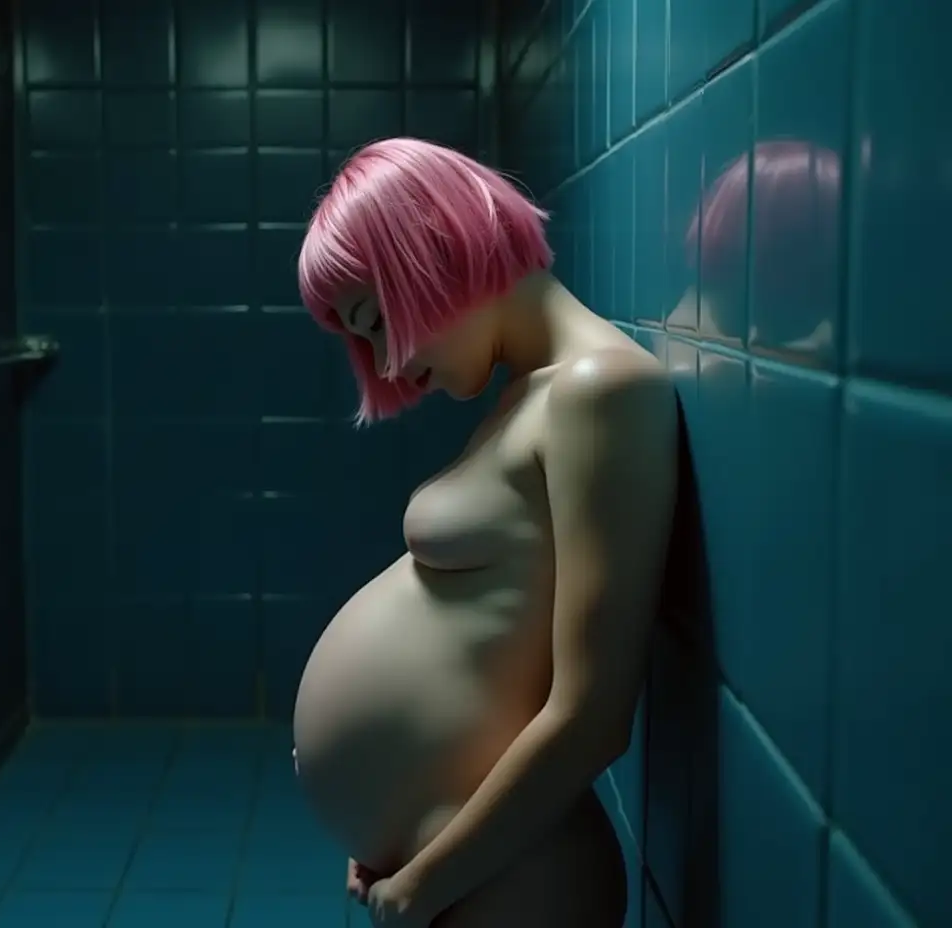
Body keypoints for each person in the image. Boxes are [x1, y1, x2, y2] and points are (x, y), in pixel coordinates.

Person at [289, 138, 678, 927]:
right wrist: (392, 819)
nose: (388, 365)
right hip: (470, 858)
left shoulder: (600, 392)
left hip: (515, 878)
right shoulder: (530, 394)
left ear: (432, 250)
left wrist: (425, 880)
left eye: (376, 321)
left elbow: (595, 714)